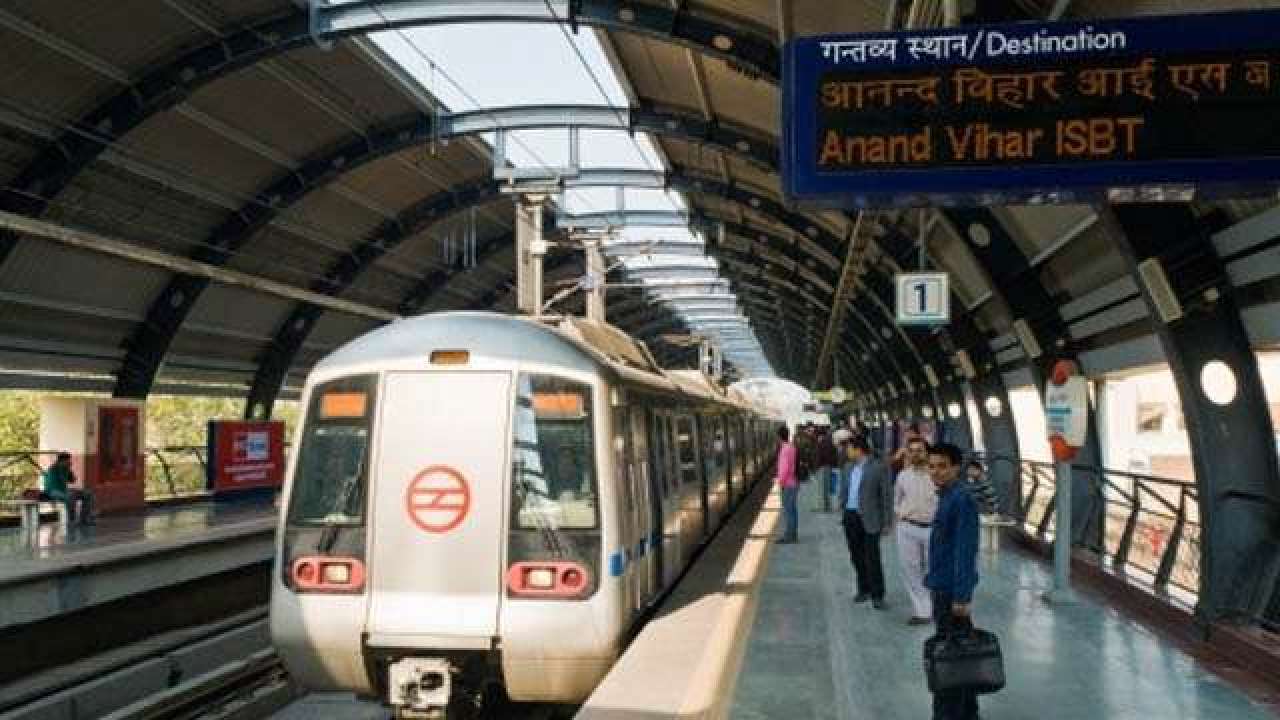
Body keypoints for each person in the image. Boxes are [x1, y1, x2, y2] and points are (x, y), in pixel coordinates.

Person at [925, 442, 981, 720]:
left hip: (950, 592)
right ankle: (968, 713)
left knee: (948, 660)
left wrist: (962, 596)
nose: (935, 472)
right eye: (931, 466)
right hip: (942, 585)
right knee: (960, 654)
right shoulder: (947, 495)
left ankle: (948, 715)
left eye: (942, 466)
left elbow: (965, 550)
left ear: (956, 468)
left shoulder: (961, 499)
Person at [837, 435, 893, 608]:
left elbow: (886, 496)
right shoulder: (847, 467)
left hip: (870, 518)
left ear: (858, 449)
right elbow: (844, 490)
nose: (846, 452)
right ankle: (864, 589)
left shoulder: (878, 468)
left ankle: (878, 594)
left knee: (872, 557)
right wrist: (842, 507)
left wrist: (887, 522)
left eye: (849, 448)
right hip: (851, 517)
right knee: (856, 556)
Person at [895, 436, 937, 625]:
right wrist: (900, 514)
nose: (915, 454)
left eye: (919, 450)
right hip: (907, 527)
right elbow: (897, 499)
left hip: (933, 529)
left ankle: (935, 606)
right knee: (910, 569)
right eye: (911, 450)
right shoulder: (903, 476)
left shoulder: (936, 476)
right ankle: (922, 612)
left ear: (927, 452)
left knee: (933, 568)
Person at [42, 452, 95, 525]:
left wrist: (69, 470)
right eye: (68, 460)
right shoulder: (53, 469)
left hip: (64, 490)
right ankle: (71, 519)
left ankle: (84, 518)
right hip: (53, 491)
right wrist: (66, 470)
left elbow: (73, 480)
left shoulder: (66, 468)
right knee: (70, 496)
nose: (69, 462)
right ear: (61, 461)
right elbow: (61, 481)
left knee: (88, 493)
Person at [775, 425, 799, 543]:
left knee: (788, 510)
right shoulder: (792, 447)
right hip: (793, 482)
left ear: (779, 437)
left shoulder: (784, 450)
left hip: (788, 484)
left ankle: (789, 535)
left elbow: (784, 469)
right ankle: (793, 533)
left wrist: (780, 482)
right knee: (793, 510)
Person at [814, 425, 839, 512]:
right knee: (827, 487)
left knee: (824, 488)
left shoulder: (823, 443)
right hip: (828, 466)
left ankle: (826, 507)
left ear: (821, 436)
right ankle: (827, 506)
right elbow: (834, 455)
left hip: (823, 467)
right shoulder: (830, 442)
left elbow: (820, 456)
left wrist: (817, 466)